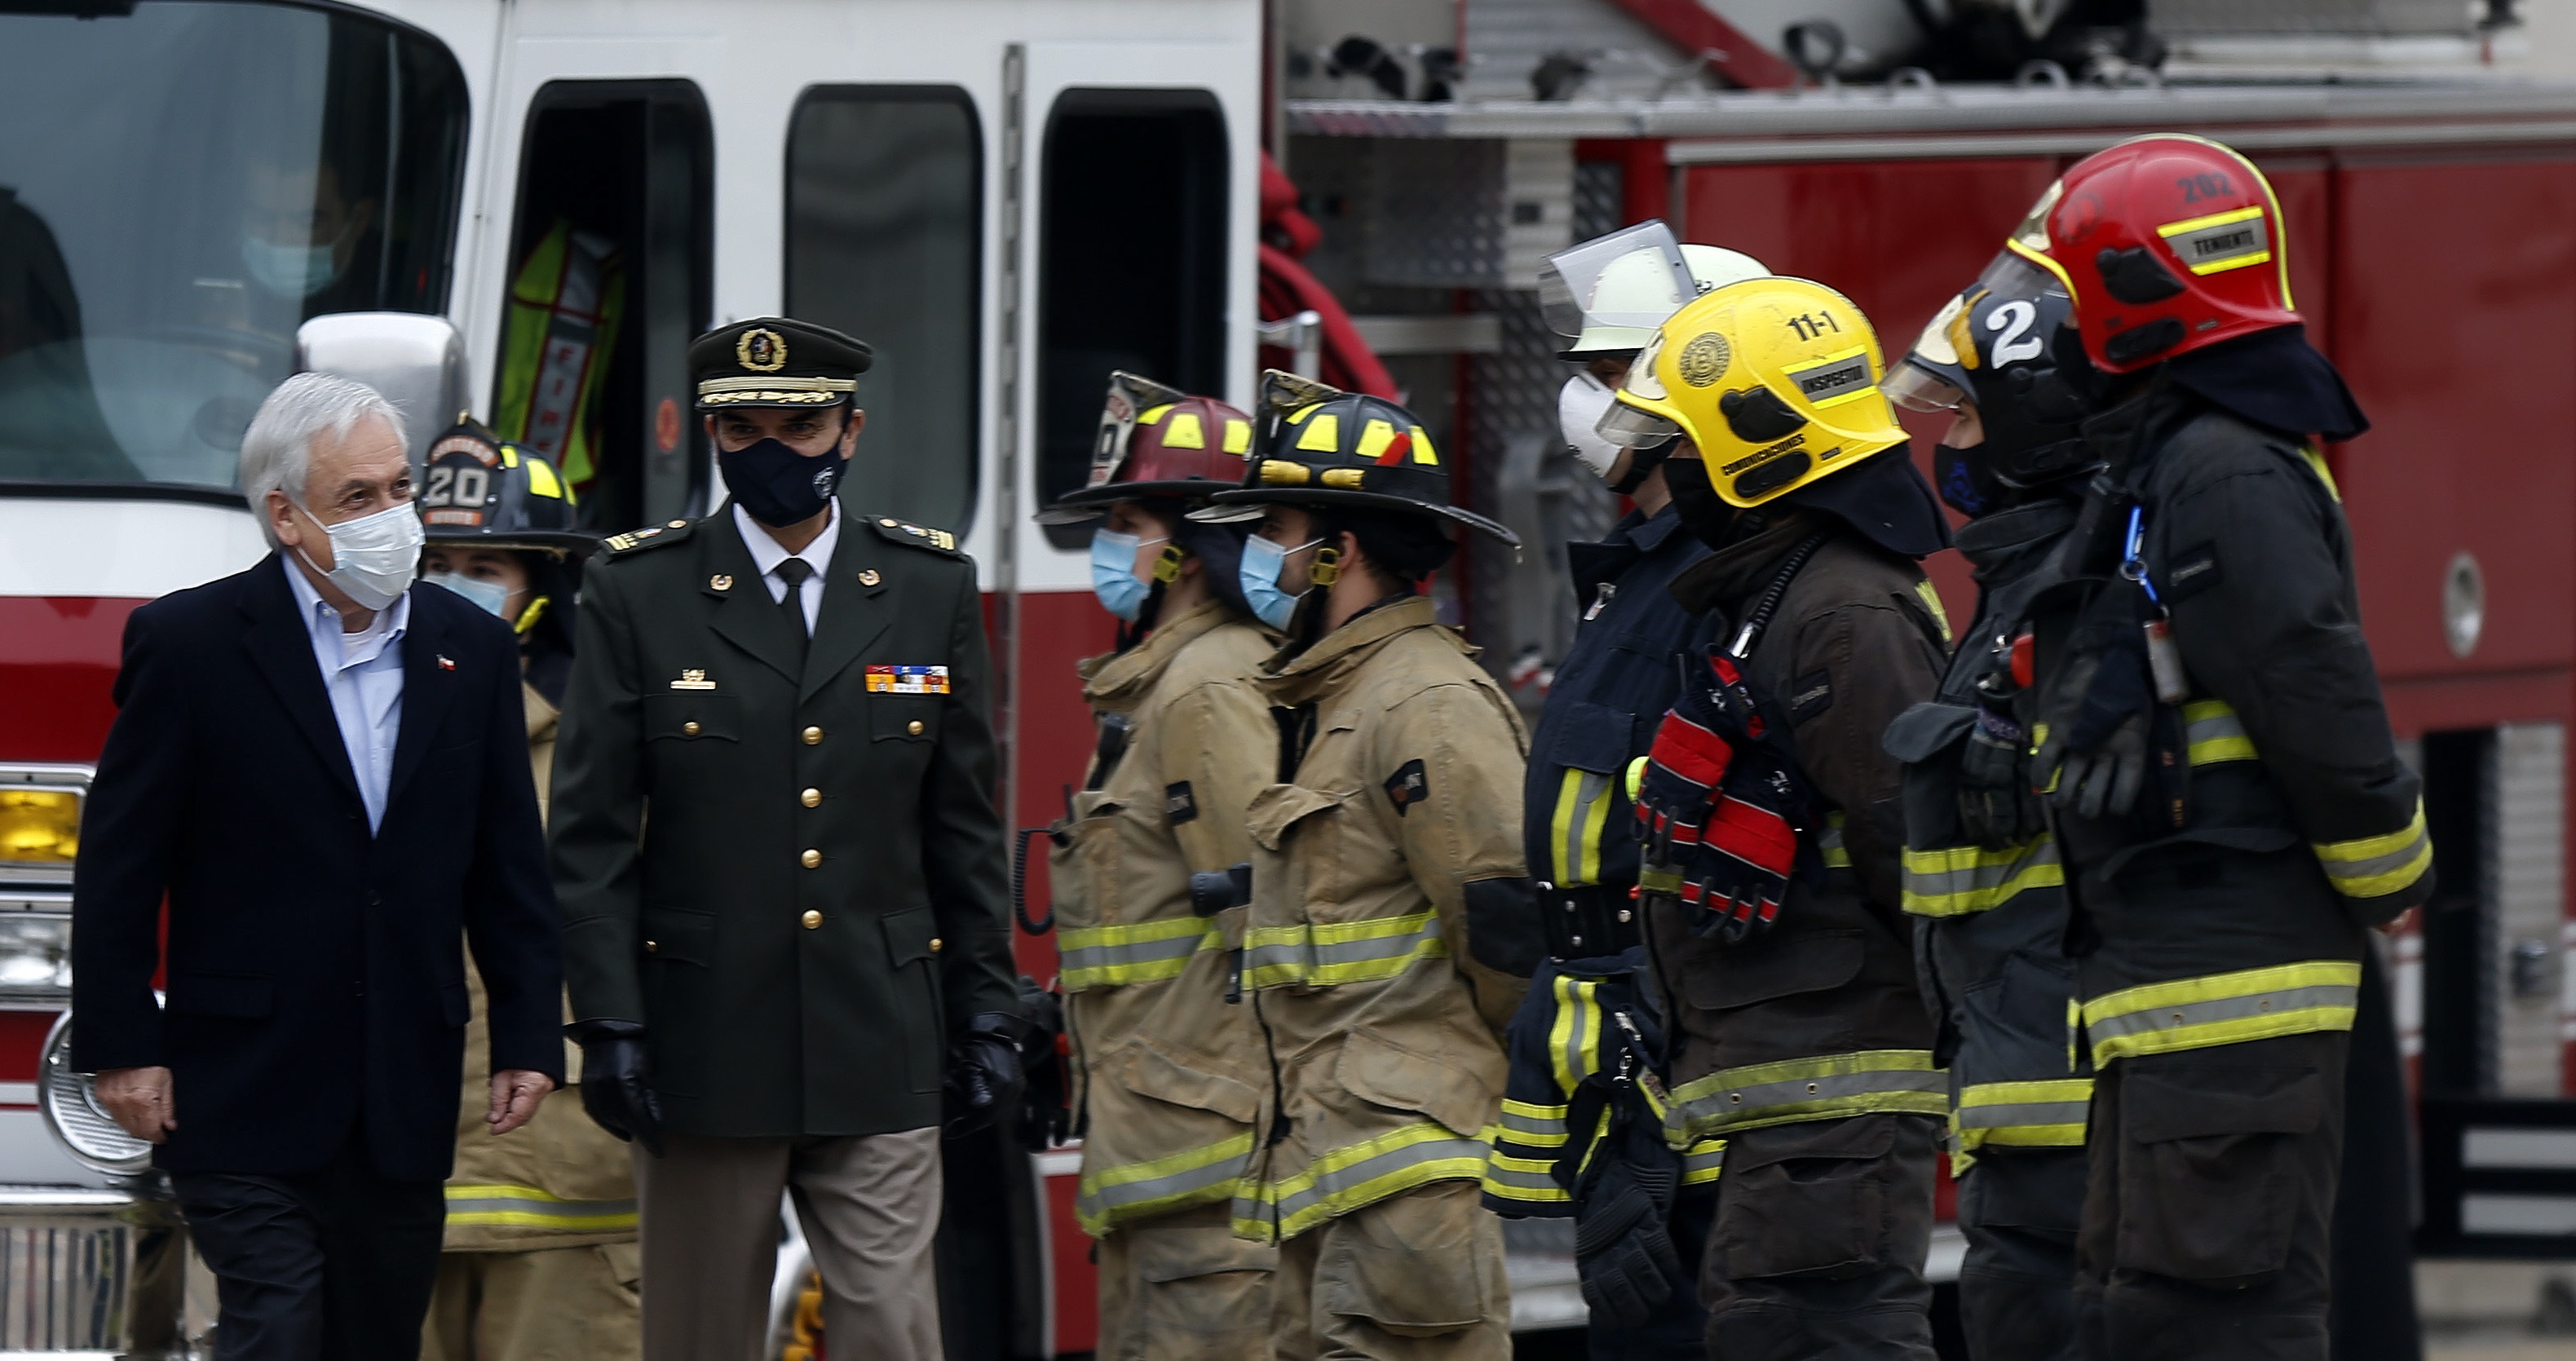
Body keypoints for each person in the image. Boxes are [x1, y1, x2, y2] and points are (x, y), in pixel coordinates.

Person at [2001, 135, 2432, 1361]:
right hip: (2176, 987)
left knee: (2215, 1317)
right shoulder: (2183, 457)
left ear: (2137, 298)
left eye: (2071, 293)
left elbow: (2305, 678)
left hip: (2226, 994)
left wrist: (2387, 866)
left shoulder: (2221, 469)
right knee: (2142, 1309)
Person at [549, 317, 1024, 1361]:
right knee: (702, 1336)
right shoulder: (639, 589)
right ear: (710, 436)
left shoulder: (927, 585)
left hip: (881, 1031)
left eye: (798, 427)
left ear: (851, 431)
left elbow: (961, 827)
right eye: (743, 428)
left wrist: (988, 1009)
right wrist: (611, 1022)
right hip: (705, 1041)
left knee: (892, 1325)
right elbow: (590, 834)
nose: (770, 450)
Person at [70, 372, 564, 1361]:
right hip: (240, 1082)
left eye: (399, 488)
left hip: (403, 1087)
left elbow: (506, 865)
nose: (393, 516)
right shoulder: (190, 644)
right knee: (279, 1326)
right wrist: (121, 1043)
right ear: (286, 516)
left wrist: (528, 1034)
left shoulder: (471, 648)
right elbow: (121, 860)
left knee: (373, 1340)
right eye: (358, 497)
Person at [1595, 275, 1952, 1361]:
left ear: (1758, 447)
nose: (1670, 473)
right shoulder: (1780, 596)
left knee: (1825, 1340)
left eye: (1681, 447)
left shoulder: (1842, 612)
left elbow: (1917, 856)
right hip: (1789, 1102)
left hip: (1833, 1108)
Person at [1192, 372, 1539, 1361]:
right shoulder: (1336, 699)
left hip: (1410, 1178)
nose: (1256, 555)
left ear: (1338, 551)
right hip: (1330, 1165)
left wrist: (1452, 1085)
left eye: (1275, 530)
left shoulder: (1426, 703)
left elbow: (1506, 932)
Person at [1481, 225, 1767, 1360]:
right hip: (1625, 1079)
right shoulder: (1644, 577)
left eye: (1613, 372)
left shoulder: (1714, 581)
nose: (1586, 401)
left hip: (1683, 1081)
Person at [1879, 257, 2102, 1361]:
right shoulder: (2018, 586)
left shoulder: (2077, 594)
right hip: (2015, 1088)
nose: (1947, 446)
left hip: (2065, 1098)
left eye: (1963, 419)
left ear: (2028, 427)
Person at [1033, 372, 1278, 1359]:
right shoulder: (1165, 682)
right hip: (1160, 1160)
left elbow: (1264, 926)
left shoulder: (1207, 691)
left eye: (1127, 522)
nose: (1108, 544)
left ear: (1189, 543)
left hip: (1211, 1175)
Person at [409, 418, 639, 1361]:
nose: (453, 585)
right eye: (436, 563)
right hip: (398, 1167)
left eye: (484, 566)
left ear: (543, 585)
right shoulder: (359, 718)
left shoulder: (612, 742)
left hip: (564, 1176)